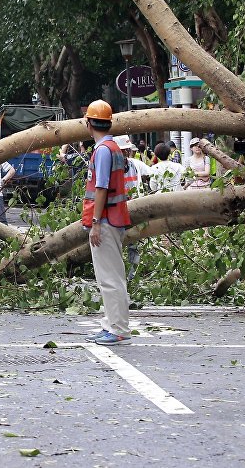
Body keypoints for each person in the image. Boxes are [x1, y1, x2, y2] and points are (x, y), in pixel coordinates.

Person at [80, 101, 132, 345]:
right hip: (115, 218)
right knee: (112, 277)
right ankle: (111, 324)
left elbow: (100, 188)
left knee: (110, 279)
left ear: (89, 124)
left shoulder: (102, 151)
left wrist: (96, 222)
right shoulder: (112, 148)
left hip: (107, 220)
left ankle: (118, 328)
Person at [114, 136, 146, 281]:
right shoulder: (111, 168)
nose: (126, 154)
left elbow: (152, 172)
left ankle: (132, 275)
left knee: (133, 243)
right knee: (117, 244)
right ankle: (119, 275)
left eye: (127, 151)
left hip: (134, 209)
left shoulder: (134, 165)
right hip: (117, 211)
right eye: (123, 151)